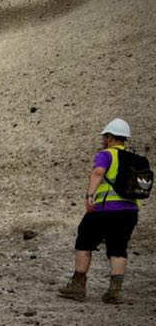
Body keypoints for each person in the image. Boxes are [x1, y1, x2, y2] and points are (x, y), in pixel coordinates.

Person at [58, 118, 142, 304]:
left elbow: (98, 173)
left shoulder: (106, 154)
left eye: (104, 137)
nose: (103, 140)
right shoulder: (134, 158)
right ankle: (115, 291)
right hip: (130, 211)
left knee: (84, 241)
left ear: (110, 137)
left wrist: (90, 195)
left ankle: (78, 285)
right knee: (118, 248)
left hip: (105, 209)